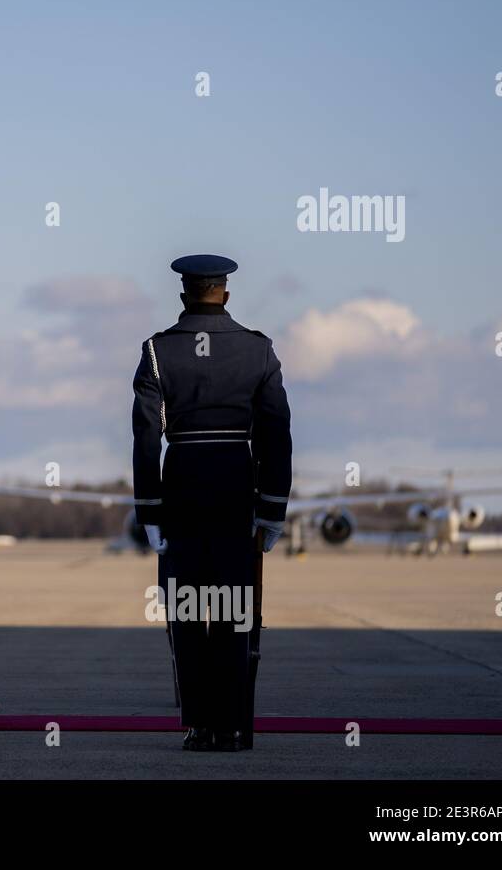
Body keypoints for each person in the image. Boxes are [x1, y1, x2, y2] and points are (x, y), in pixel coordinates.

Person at [131, 255, 292, 752]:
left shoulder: (158, 351)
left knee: (187, 614)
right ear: (225, 293)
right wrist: (271, 508)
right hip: (235, 495)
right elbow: (276, 434)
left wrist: (151, 511)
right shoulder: (258, 350)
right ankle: (234, 727)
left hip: (182, 496)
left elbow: (145, 438)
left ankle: (198, 726)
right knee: (235, 615)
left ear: (184, 295)